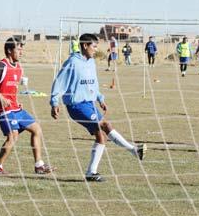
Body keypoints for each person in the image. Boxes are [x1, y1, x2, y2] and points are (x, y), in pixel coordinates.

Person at [50, 33, 146, 182]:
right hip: (76, 106)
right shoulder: (72, 62)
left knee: (102, 137)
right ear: (85, 45)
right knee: (105, 125)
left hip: (89, 104)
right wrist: (54, 102)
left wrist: (100, 98)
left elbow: (92, 84)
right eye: (94, 47)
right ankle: (133, 150)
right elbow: (59, 82)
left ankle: (91, 172)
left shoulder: (91, 62)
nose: (95, 50)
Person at [0, 37, 54, 175]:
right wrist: (1, 98)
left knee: (36, 129)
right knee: (13, 136)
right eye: (19, 49)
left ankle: (39, 165)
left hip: (16, 108)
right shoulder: (1, 66)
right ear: (10, 50)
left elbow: (12, 89)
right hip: (4, 110)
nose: (21, 52)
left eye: (22, 49)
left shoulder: (18, 68)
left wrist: (16, 101)